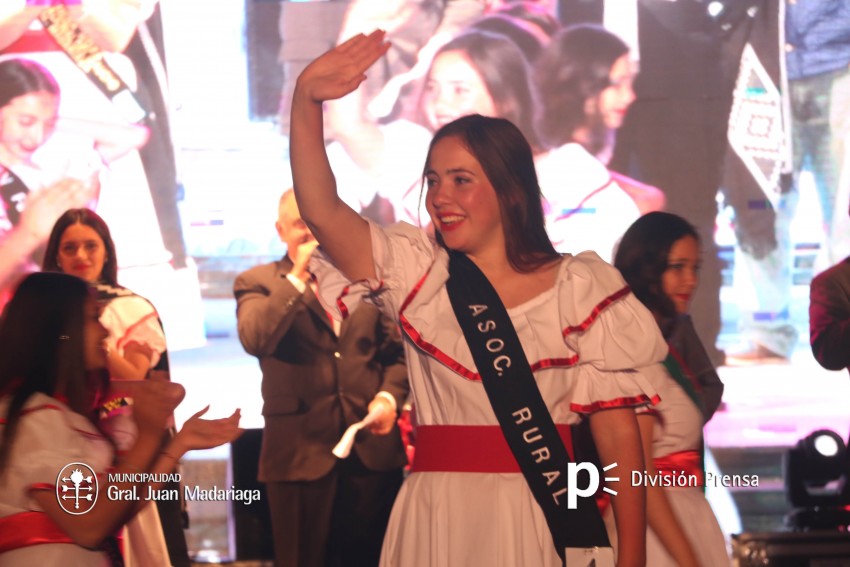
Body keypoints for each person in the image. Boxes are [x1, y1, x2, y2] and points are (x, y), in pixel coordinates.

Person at [290, 30, 671, 566]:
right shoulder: (416, 273)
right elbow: (323, 211)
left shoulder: (581, 287)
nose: (441, 196)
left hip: (548, 514)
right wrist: (307, 99)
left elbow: (620, 441)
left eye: (461, 180)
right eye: (434, 180)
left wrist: (632, 559)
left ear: (510, 189)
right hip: (438, 516)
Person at [0, 271, 241, 565]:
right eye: (93, 318)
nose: (105, 332)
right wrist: (149, 436)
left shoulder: (54, 415)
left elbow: (118, 507)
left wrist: (176, 446)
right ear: (62, 331)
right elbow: (89, 526)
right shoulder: (35, 416)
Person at [233, 189, 409, 567]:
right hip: (298, 456)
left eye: (318, 222)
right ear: (281, 231)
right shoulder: (258, 282)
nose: (311, 231)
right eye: (300, 224)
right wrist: (298, 277)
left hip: (371, 457)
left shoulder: (367, 280)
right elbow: (255, 338)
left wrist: (387, 399)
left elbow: (398, 358)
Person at [41, 207, 189, 566]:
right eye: (70, 247)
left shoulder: (133, 307)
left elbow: (144, 384)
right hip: (61, 448)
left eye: (90, 246)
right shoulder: (39, 312)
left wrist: (94, 342)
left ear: (106, 250)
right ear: (56, 255)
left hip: (130, 447)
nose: (81, 256)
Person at [326, 28, 541, 226]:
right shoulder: (415, 152)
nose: (440, 104)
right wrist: (360, 26)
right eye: (432, 88)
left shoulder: (553, 171)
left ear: (505, 100)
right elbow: (347, 124)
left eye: (460, 90)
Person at [613, 211, 730, 566]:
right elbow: (639, 476)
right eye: (677, 267)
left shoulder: (665, 346)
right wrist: (687, 559)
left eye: (695, 268)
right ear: (647, 269)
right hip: (658, 533)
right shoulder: (631, 350)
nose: (690, 280)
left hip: (685, 516)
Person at [0, 58, 146, 300]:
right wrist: (29, 233)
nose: (36, 137)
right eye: (25, 122)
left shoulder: (51, 169)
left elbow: (133, 137)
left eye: (48, 125)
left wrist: (51, 120)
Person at [534, 25, 662, 262]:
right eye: (618, 84)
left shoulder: (576, 160)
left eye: (630, 83)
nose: (630, 96)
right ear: (584, 85)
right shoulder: (563, 166)